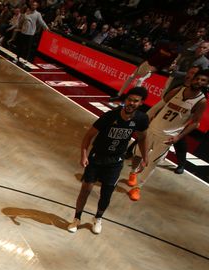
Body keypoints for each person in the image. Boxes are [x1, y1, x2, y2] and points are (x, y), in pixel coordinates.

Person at [67, 87, 149, 234]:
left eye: (135, 101)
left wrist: (145, 157)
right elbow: (88, 135)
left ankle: (98, 218)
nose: (131, 103)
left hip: (116, 161)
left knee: (107, 192)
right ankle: (77, 218)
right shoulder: (110, 116)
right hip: (97, 157)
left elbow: (142, 139)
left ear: (141, 103)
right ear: (125, 100)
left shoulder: (141, 119)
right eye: (129, 99)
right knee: (86, 189)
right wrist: (84, 155)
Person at [127, 69, 208, 201]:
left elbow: (195, 124)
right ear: (193, 79)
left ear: (206, 84)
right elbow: (158, 106)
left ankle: (138, 188)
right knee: (138, 154)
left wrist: (178, 137)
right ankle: (132, 173)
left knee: (152, 162)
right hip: (153, 128)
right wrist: (144, 121)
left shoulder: (201, 101)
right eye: (197, 78)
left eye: (203, 80)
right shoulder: (178, 90)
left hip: (168, 137)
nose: (199, 81)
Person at [13, 1, 48, 66]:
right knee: (20, 46)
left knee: (28, 47)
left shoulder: (38, 14)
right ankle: (17, 58)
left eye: (35, 5)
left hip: (30, 33)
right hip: (23, 31)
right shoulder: (27, 12)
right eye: (33, 5)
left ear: (37, 6)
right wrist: (19, 28)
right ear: (31, 6)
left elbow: (41, 22)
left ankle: (25, 60)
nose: (33, 6)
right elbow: (22, 21)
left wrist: (46, 28)